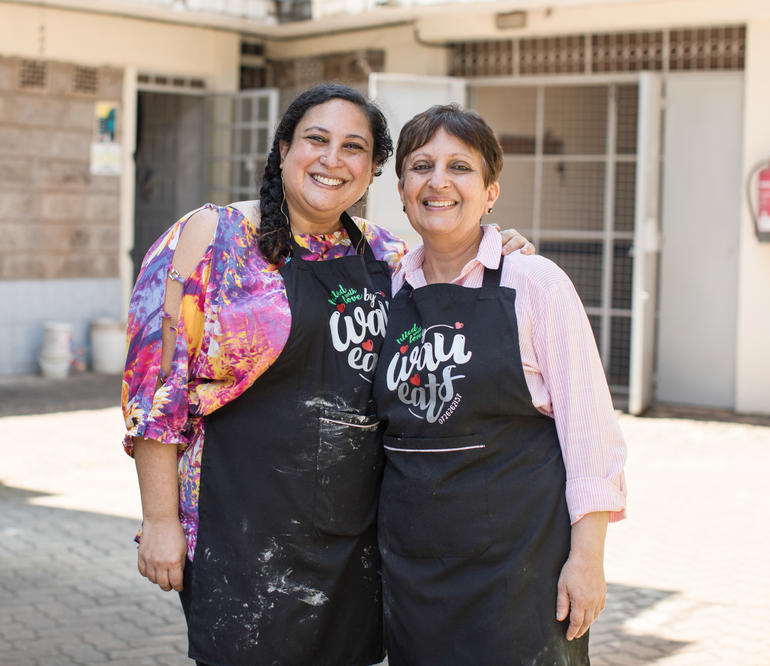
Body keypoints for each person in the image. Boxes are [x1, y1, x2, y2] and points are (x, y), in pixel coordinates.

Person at [122, 84, 532, 665]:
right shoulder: (211, 238)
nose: (332, 159)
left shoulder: (388, 256)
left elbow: (457, 277)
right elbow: (155, 392)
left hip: (354, 540)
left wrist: (502, 247)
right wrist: (159, 520)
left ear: (372, 170)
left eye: (354, 147)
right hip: (239, 533)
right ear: (284, 148)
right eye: (317, 139)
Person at [372, 104, 627, 665]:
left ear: (490, 192)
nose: (438, 181)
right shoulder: (386, 289)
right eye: (421, 166)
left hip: (520, 574)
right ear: (401, 188)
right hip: (413, 577)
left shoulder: (534, 283)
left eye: (459, 167)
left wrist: (588, 559)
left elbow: (590, 435)